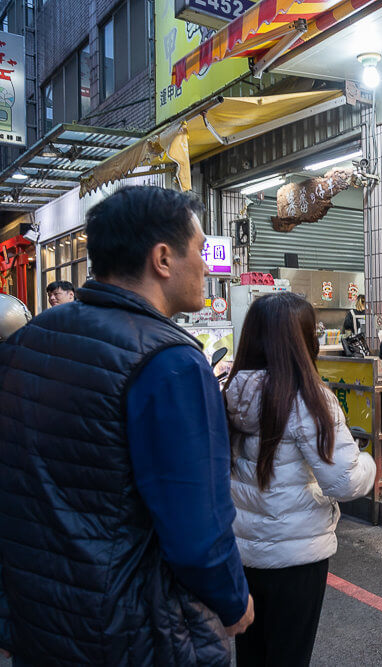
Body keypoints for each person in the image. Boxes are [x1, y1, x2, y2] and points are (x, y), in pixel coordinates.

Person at [0, 186, 252, 664]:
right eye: (199, 250)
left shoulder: (28, 341)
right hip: (133, 629)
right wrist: (232, 599)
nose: (205, 265)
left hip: (40, 619)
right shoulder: (171, 361)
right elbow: (198, 525)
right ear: (162, 257)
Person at [225, 292, 376, 667]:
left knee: (251, 657)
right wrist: (368, 462)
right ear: (301, 340)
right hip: (296, 558)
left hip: (242, 555)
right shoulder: (309, 399)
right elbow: (344, 482)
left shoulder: (230, 392)